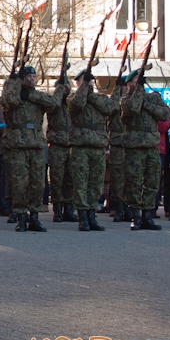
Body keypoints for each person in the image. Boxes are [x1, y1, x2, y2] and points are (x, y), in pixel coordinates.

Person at [0, 65, 57, 232]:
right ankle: (20, 215)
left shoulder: (36, 95)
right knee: (19, 182)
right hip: (17, 144)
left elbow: (53, 103)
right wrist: (17, 84)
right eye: (29, 76)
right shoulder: (12, 93)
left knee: (37, 182)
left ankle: (34, 216)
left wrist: (30, 95)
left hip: (36, 143)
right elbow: (10, 101)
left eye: (34, 76)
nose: (32, 79)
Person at [120, 69, 170, 230]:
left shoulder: (153, 97)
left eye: (138, 79)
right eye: (134, 80)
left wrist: (147, 104)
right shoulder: (126, 99)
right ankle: (135, 215)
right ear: (128, 84)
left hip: (151, 146)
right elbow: (133, 108)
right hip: (134, 146)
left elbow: (165, 113)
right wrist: (139, 91)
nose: (137, 82)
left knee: (152, 181)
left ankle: (147, 214)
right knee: (134, 181)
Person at [66, 70, 116, 231]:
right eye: (83, 81)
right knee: (81, 182)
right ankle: (82, 216)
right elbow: (78, 104)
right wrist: (84, 90)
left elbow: (109, 108)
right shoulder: (72, 98)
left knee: (95, 183)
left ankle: (92, 214)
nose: (87, 83)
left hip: (98, 145)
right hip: (80, 145)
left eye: (88, 81)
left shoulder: (99, 98)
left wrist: (91, 94)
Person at [46, 76, 77, 223]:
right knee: (57, 178)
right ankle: (58, 209)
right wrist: (59, 90)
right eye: (62, 88)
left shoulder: (72, 103)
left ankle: (69, 209)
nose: (65, 90)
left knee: (70, 178)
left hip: (71, 143)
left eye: (67, 87)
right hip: (57, 144)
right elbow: (54, 105)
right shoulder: (54, 103)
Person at [107, 72, 128, 222]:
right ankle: (118, 208)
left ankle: (129, 208)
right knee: (117, 178)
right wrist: (116, 89)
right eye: (124, 86)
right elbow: (112, 107)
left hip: (131, 142)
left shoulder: (135, 98)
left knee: (131, 178)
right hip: (117, 142)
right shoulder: (115, 99)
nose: (127, 88)